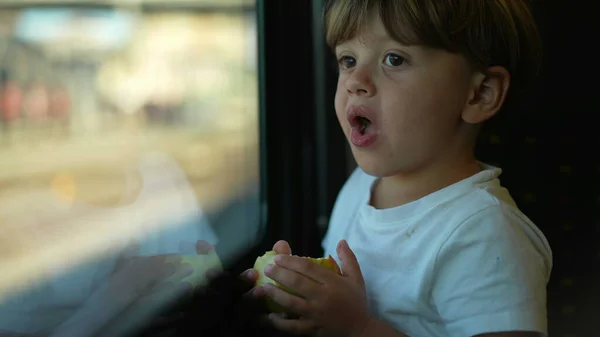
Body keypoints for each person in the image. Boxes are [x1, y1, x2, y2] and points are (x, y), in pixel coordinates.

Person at [245, 1, 552, 337]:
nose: (355, 82)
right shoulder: (360, 187)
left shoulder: (484, 236)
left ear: (479, 94)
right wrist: (303, 296)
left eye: (394, 59)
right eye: (348, 60)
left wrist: (359, 329)